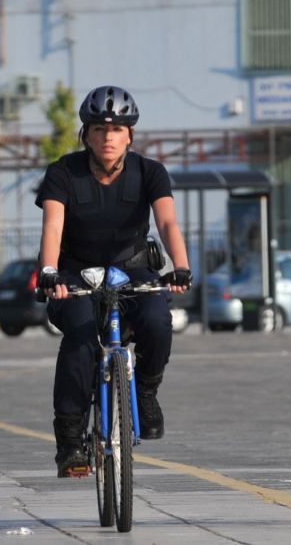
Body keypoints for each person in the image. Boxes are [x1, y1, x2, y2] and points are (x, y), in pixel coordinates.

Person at [35, 85, 192, 478]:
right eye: (100, 129)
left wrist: (182, 266)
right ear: (86, 134)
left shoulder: (150, 172)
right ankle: (70, 440)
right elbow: (53, 225)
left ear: (130, 135)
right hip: (74, 274)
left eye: (118, 129)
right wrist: (50, 272)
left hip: (132, 270)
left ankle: (146, 391)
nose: (109, 137)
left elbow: (168, 221)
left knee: (158, 320)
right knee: (81, 339)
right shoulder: (62, 173)